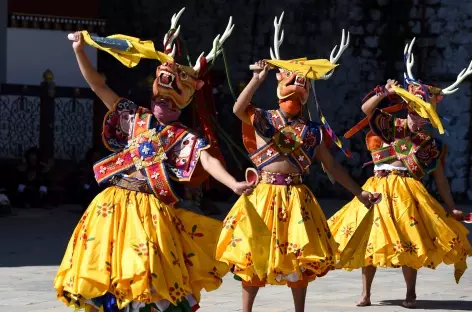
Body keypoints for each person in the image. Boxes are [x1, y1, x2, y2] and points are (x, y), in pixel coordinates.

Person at [54, 9, 254, 312]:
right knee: (106, 267)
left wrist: (233, 183)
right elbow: (99, 86)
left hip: (149, 209)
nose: (161, 101)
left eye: (169, 99)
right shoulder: (134, 117)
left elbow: (207, 159)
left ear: (181, 103)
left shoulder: (181, 135)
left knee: (145, 269)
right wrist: (80, 51)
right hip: (112, 204)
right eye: (159, 97)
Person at [215, 13, 377, 312]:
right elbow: (238, 108)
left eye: (301, 86)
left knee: (298, 259)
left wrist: (360, 193)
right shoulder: (265, 118)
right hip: (262, 194)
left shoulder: (313, 131)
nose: (295, 89)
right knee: (253, 255)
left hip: (296, 198)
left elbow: (332, 167)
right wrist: (256, 79)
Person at [329, 38, 472, 309]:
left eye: (428, 115)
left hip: (408, 191)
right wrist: (385, 91)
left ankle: (410, 293)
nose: (423, 119)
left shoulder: (430, 145)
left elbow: (440, 178)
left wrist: (451, 207)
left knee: (410, 240)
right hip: (378, 188)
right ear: (409, 108)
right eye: (419, 112)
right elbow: (365, 109)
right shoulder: (388, 124)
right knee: (371, 242)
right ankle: (365, 294)